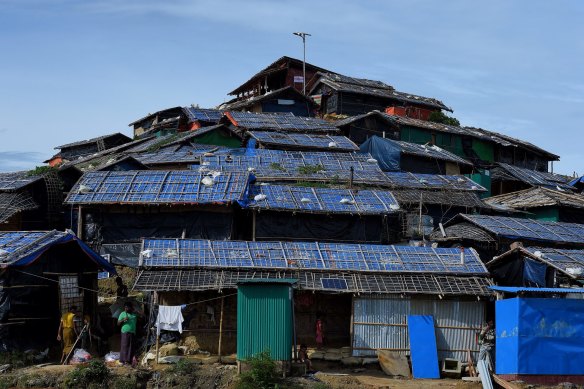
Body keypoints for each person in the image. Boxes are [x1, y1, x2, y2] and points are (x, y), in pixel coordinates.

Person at [117, 301, 137, 366]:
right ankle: (124, 360)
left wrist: (136, 311)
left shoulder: (134, 314)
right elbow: (118, 323)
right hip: (125, 332)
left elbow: (142, 316)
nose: (126, 308)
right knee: (125, 346)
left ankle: (129, 360)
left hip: (132, 332)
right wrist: (123, 320)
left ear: (130, 308)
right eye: (125, 307)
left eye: (127, 307)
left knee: (131, 346)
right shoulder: (122, 314)